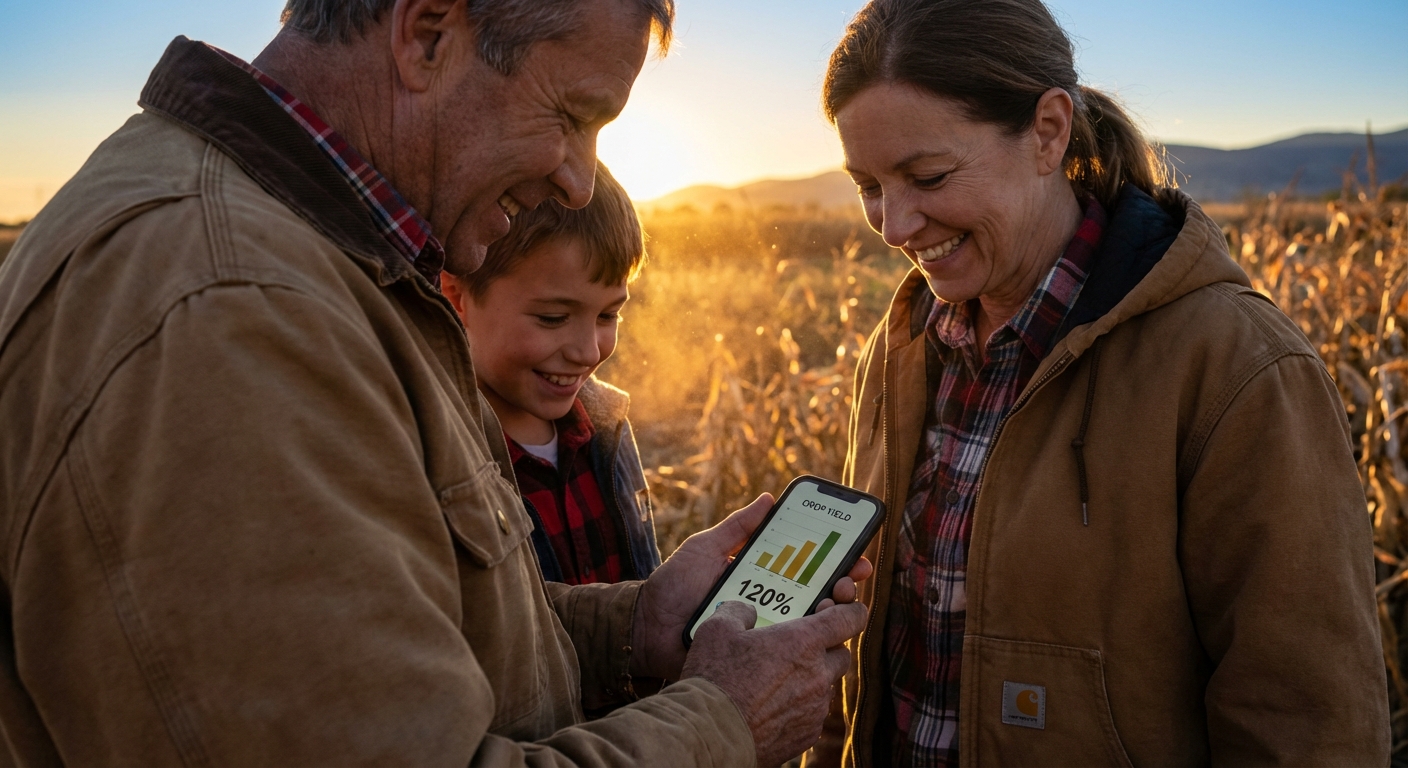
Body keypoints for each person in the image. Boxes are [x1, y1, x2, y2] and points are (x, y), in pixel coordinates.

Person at [0, 0, 870, 764]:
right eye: (572, 115)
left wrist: (635, 626)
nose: (578, 181)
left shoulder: (316, 270)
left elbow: (408, 636)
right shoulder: (230, 312)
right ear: (426, 35)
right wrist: (723, 723)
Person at [807, 0, 1391, 765]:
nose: (892, 225)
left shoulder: (1236, 367)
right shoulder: (906, 343)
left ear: (1049, 131)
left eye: (928, 176)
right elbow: (866, 651)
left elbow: (1307, 725)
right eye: (868, 185)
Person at [441, 162, 661, 586]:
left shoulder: (607, 426)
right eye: (553, 318)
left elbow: (641, 581)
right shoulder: (447, 455)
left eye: (608, 315)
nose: (588, 352)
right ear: (457, 297)